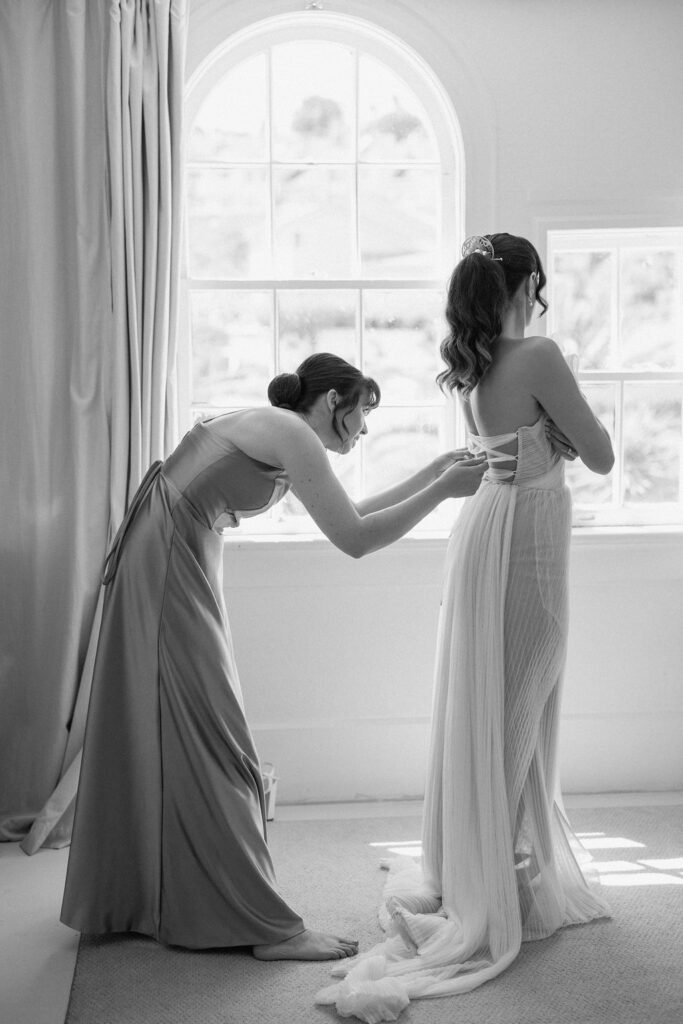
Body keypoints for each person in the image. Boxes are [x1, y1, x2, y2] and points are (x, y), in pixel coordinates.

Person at [60, 352, 486, 962]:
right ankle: (265, 926)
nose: (364, 430)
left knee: (189, 729)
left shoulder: (282, 432)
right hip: (166, 565)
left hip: (172, 554)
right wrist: (445, 490)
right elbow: (357, 540)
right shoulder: (289, 430)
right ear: (332, 403)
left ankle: (163, 896)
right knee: (212, 733)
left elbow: (353, 512)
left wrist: (435, 471)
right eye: (362, 412)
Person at [317, 235, 614, 1020]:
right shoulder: (538, 354)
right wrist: (560, 439)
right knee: (520, 695)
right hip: (526, 541)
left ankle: (487, 866)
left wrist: (549, 441)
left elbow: (536, 447)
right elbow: (604, 454)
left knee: (492, 697)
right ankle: (499, 882)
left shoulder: (478, 364)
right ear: (528, 285)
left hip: (488, 529)